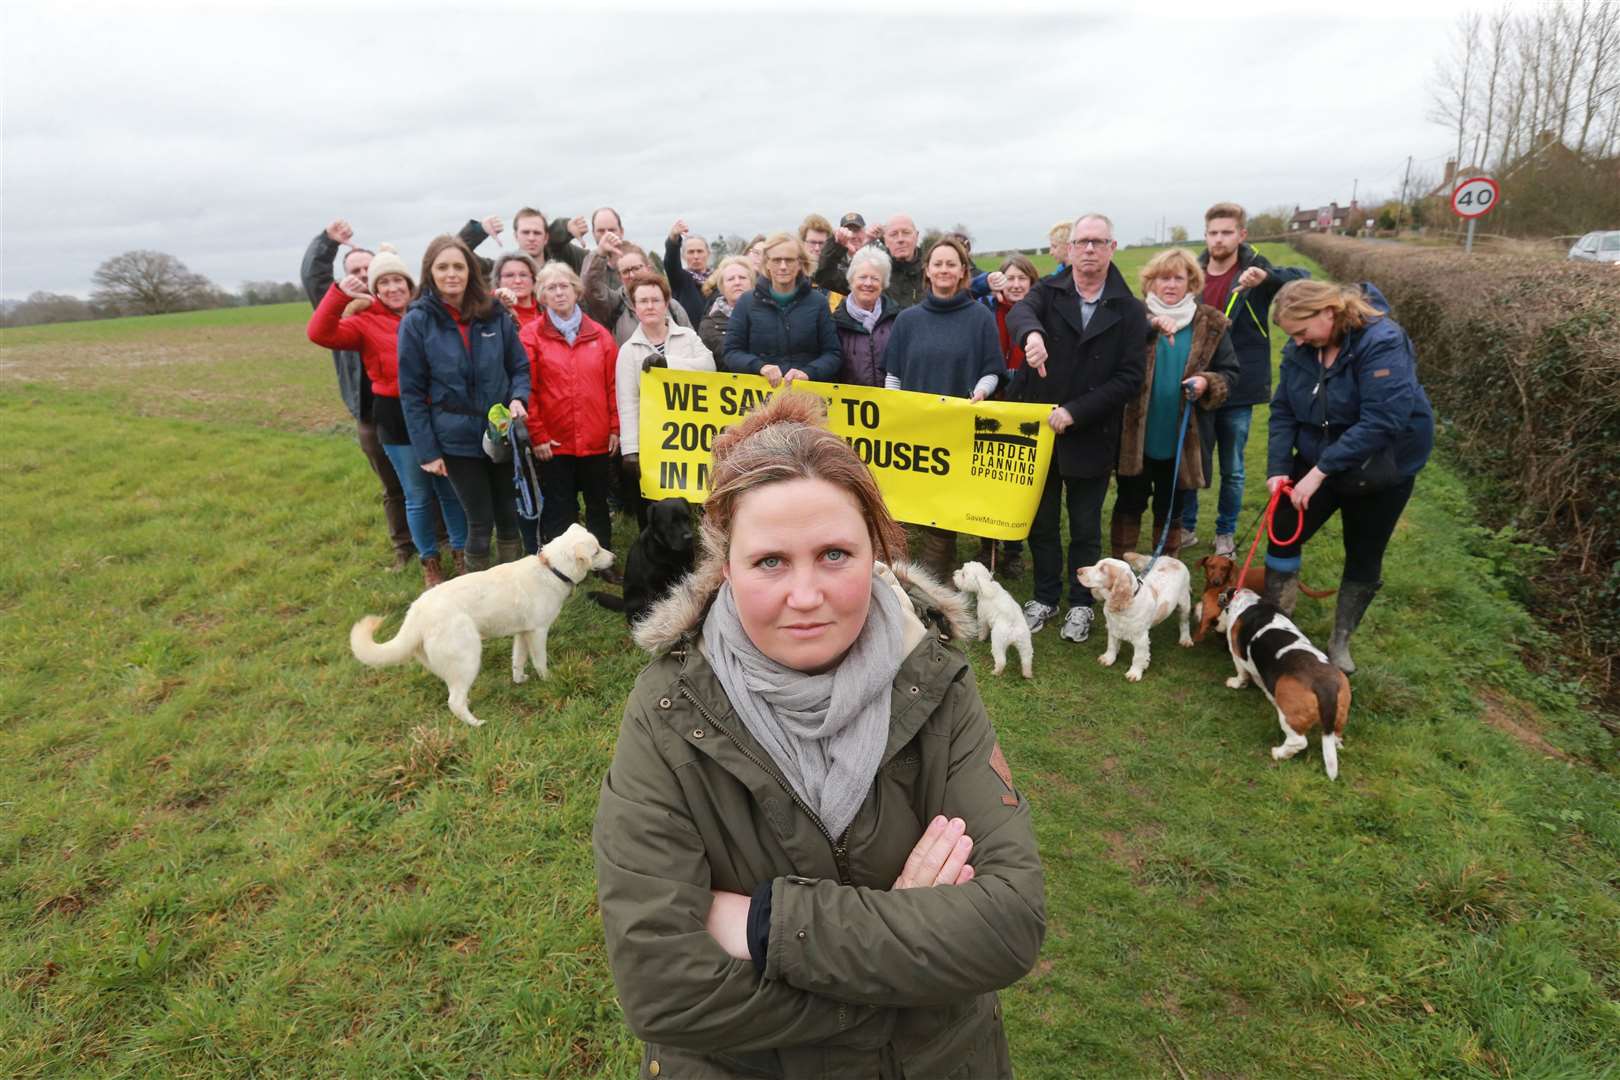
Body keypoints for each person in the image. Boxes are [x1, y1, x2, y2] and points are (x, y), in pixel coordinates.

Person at [592, 390, 1045, 1079]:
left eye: (835, 554)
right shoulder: (668, 713)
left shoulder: (932, 683)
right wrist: (904, 973)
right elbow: (661, 988)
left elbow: (1008, 922)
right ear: (725, 565)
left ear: (878, 553)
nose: (805, 595)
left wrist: (764, 925)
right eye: (770, 561)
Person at [1264, 280, 1434, 674]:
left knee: (1364, 549)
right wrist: (1277, 468)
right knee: (1282, 528)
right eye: (1292, 336)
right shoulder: (1299, 350)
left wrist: (1320, 472)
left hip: (1381, 464)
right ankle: (1278, 621)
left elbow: (1383, 420)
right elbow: (1284, 410)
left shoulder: (1383, 342)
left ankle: (1340, 638)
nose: (1298, 343)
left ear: (1328, 312)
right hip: (1318, 453)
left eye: (1301, 332)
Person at [1005, 213, 1147, 644]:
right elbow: (1020, 312)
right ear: (1069, 250)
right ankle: (1045, 595)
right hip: (1040, 431)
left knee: (1085, 525)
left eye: (1098, 242)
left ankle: (1082, 604)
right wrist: (1031, 335)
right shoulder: (1048, 293)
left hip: (1090, 433)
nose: (1089, 249)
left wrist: (1077, 411)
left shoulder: (1129, 309)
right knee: (1042, 521)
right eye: (1082, 242)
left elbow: (1129, 377)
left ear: (1112, 248)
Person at [307, 244, 469, 589]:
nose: (393, 288)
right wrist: (338, 295)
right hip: (395, 414)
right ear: (375, 289)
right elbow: (319, 333)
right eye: (384, 283)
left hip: (435, 410)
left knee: (449, 490)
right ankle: (430, 562)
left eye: (399, 281)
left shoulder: (430, 314)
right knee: (417, 493)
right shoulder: (364, 322)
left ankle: (461, 555)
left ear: (410, 284)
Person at [1177, 202, 1311, 556]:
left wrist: (1267, 279)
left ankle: (1225, 532)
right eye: (1213, 233)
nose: (1219, 239)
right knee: (1193, 458)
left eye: (1227, 232)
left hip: (1241, 384)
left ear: (1241, 234)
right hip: (1200, 381)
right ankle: (1187, 526)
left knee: (1233, 468)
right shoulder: (1195, 272)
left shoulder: (1255, 269)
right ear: (1206, 235)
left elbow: (1304, 279)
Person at [300, 219, 429, 570]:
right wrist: (327, 243)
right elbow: (316, 287)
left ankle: (439, 543)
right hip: (374, 415)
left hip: (420, 412)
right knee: (395, 487)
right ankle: (404, 547)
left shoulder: (412, 313)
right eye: (353, 271)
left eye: (365, 270)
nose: (360, 276)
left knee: (431, 482)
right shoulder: (346, 312)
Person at [397, 235, 531, 571]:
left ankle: (511, 587)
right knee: (480, 520)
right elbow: (411, 392)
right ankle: (478, 593)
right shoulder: (417, 321)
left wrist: (518, 398)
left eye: (459, 266)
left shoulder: (493, 313)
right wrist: (427, 451)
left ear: (471, 271)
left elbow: (519, 366)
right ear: (430, 271)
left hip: (499, 432)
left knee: (509, 514)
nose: (451, 274)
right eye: (443, 267)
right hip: (454, 438)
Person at [883, 236, 1005, 580]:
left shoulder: (980, 317)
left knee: (944, 502)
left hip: (959, 428)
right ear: (927, 271)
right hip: (914, 427)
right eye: (938, 263)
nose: (944, 269)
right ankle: (898, 575)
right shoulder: (908, 320)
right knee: (907, 498)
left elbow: (992, 369)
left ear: (964, 271)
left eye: (952, 264)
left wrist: (981, 392)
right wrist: (894, 407)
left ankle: (936, 576)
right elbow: (894, 373)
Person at [1111, 249, 1239, 561]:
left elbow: (1230, 373)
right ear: (1150, 282)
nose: (1170, 285)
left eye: (1178, 278)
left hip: (1184, 436)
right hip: (1135, 434)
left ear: (1191, 283)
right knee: (1129, 500)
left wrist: (1208, 382)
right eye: (1163, 278)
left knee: (1172, 505)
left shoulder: (1211, 323)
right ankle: (1120, 565)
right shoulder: (1132, 317)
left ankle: (1165, 566)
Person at [518, 262, 621, 571]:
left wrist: (615, 426)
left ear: (577, 290)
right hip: (554, 442)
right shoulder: (531, 336)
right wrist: (537, 434)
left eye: (564, 286)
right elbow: (528, 390)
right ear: (541, 295)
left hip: (596, 438)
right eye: (551, 287)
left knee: (597, 505)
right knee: (560, 507)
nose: (559, 292)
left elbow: (612, 385)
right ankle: (563, 568)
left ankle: (601, 563)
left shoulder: (600, 336)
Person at [616, 271, 715, 525]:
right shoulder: (628, 350)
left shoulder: (688, 337)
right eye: (643, 301)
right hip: (654, 441)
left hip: (690, 438)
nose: (650, 306)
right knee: (657, 512)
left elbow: (709, 368)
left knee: (697, 509)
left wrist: (668, 363)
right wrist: (630, 450)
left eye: (655, 300)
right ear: (634, 306)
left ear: (666, 302)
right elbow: (628, 402)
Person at [980, 253, 1042, 579]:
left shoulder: (1039, 313)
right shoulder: (987, 310)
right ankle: (986, 543)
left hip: (1026, 404)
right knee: (987, 477)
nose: (1016, 285)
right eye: (1011, 278)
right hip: (993, 399)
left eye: (1022, 279)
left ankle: (1014, 550)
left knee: (1017, 478)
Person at [722, 233, 840, 387]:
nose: (783, 266)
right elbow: (731, 352)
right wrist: (760, 367)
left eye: (789, 260)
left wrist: (809, 372)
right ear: (767, 263)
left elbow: (833, 354)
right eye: (777, 260)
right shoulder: (747, 302)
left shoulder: (818, 302)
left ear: (799, 264)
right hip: (760, 397)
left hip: (807, 395)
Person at [583, 236, 692, 345]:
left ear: (648, 269)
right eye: (625, 271)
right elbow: (590, 287)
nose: (632, 275)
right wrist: (600, 254)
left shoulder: (672, 307)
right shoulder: (615, 304)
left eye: (636, 268)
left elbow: (692, 343)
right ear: (620, 277)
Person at [829, 246, 897, 387]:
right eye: (862, 277)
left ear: (883, 283)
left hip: (891, 405)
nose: (868, 283)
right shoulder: (834, 323)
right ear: (851, 280)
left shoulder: (897, 320)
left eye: (875, 278)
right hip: (848, 405)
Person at [458, 206, 589, 274]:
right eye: (525, 232)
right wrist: (478, 230)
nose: (531, 238)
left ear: (546, 237)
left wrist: (566, 226)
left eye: (537, 233)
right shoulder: (501, 271)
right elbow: (455, 254)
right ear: (516, 236)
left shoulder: (564, 270)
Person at [698, 255, 756, 357]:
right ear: (722, 287)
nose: (737, 282)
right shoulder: (709, 324)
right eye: (730, 279)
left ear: (752, 283)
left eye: (742, 278)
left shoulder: (769, 314)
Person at [662, 219, 709, 328]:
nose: (696, 256)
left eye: (700, 251)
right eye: (691, 252)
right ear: (683, 256)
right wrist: (673, 240)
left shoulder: (718, 281)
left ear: (708, 254)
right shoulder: (680, 279)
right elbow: (671, 262)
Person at [877, 213, 924, 308]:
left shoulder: (931, 273)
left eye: (906, 233)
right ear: (885, 240)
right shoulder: (877, 273)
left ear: (916, 236)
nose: (900, 239)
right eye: (893, 234)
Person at [491, 251, 542, 329]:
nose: (517, 281)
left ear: (534, 280)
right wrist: (495, 298)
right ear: (498, 282)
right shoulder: (491, 310)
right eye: (509, 275)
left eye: (523, 275)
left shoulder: (549, 309)